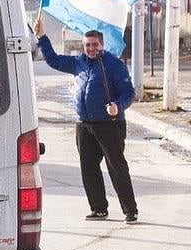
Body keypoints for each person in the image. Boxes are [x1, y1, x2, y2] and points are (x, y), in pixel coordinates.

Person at [33, 13, 139, 224]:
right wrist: (42, 37)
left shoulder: (113, 65)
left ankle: (130, 210)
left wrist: (118, 106)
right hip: (84, 125)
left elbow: (129, 92)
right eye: (87, 45)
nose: (90, 48)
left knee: (116, 167)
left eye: (94, 44)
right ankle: (99, 208)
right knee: (88, 168)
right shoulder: (79, 63)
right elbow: (53, 60)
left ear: (102, 44)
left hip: (110, 125)